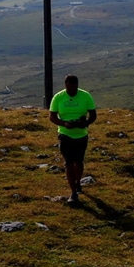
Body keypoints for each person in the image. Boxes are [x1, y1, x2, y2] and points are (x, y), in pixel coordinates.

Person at [49, 74, 97, 204]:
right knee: (69, 163)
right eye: (69, 89)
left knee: (79, 161)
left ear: (77, 86)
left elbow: (93, 115)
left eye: (74, 89)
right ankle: (73, 192)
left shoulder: (85, 96)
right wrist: (64, 124)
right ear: (66, 86)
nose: (71, 91)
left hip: (81, 135)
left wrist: (85, 123)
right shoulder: (58, 97)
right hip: (65, 135)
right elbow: (52, 116)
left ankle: (77, 181)